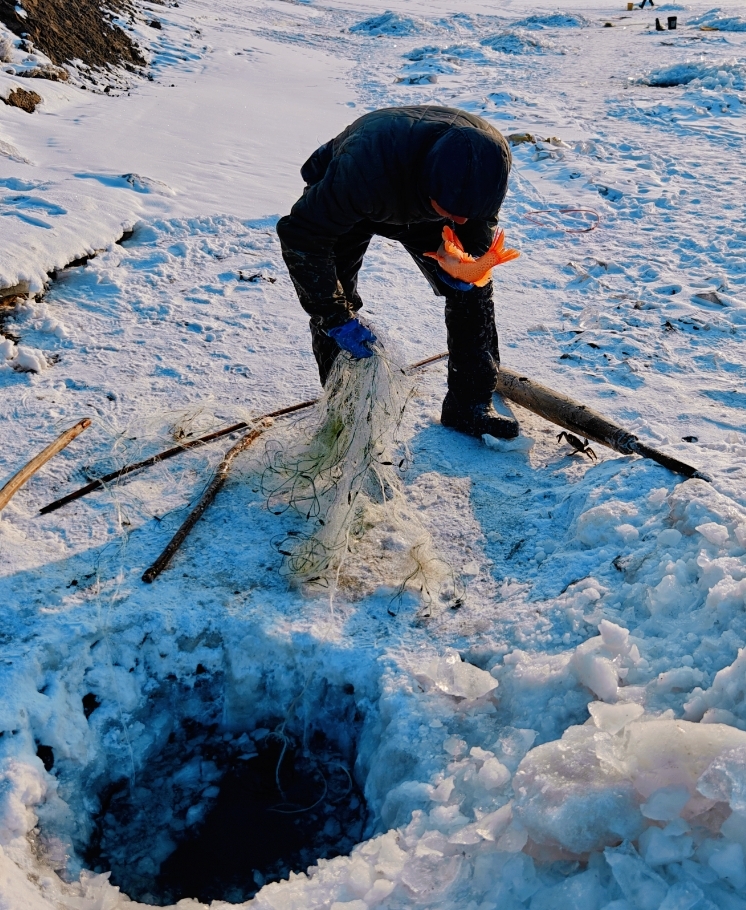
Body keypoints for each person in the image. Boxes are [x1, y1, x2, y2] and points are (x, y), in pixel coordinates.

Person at [276, 104, 519, 439]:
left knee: (473, 291)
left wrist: (471, 260)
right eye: (453, 211)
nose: (461, 219)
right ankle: (344, 413)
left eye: (468, 212)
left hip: (425, 210)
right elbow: (302, 236)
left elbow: (476, 222)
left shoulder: (489, 160)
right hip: (359, 200)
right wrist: (334, 316)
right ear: (430, 186)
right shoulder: (361, 173)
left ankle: (469, 405)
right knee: (334, 304)